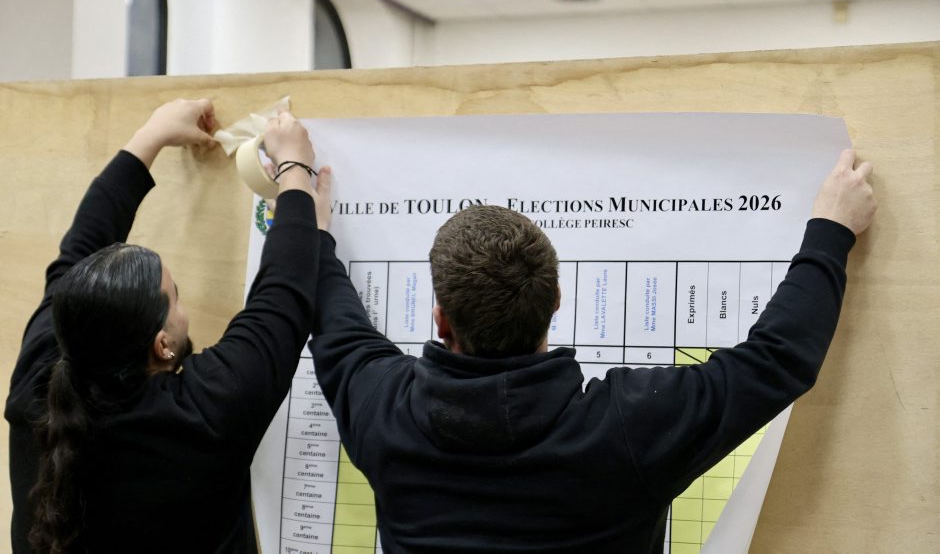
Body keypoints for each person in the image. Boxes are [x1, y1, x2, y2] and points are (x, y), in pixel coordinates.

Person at [309, 150, 875, 552]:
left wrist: (309, 227)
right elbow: (777, 359)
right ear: (556, 300)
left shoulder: (383, 407)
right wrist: (831, 228)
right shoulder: (628, 426)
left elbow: (336, 323)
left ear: (441, 322)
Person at [4, 100, 332, 553]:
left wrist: (152, 135)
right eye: (175, 296)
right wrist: (295, 169)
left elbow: (76, 253)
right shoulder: (200, 414)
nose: (181, 304)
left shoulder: (39, 379)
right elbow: (281, 303)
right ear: (162, 345)